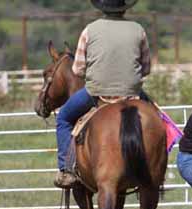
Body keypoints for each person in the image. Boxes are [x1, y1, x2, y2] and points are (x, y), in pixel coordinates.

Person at [54, 0, 151, 188]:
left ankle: (67, 169)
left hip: (96, 92)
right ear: (124, 8)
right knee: (160, 120)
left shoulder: (90, 30)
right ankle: (157, 168)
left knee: (64, 118)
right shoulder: (138, 29)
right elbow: (146, 68)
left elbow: (78, 69)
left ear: (102, 8)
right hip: (131, 92)